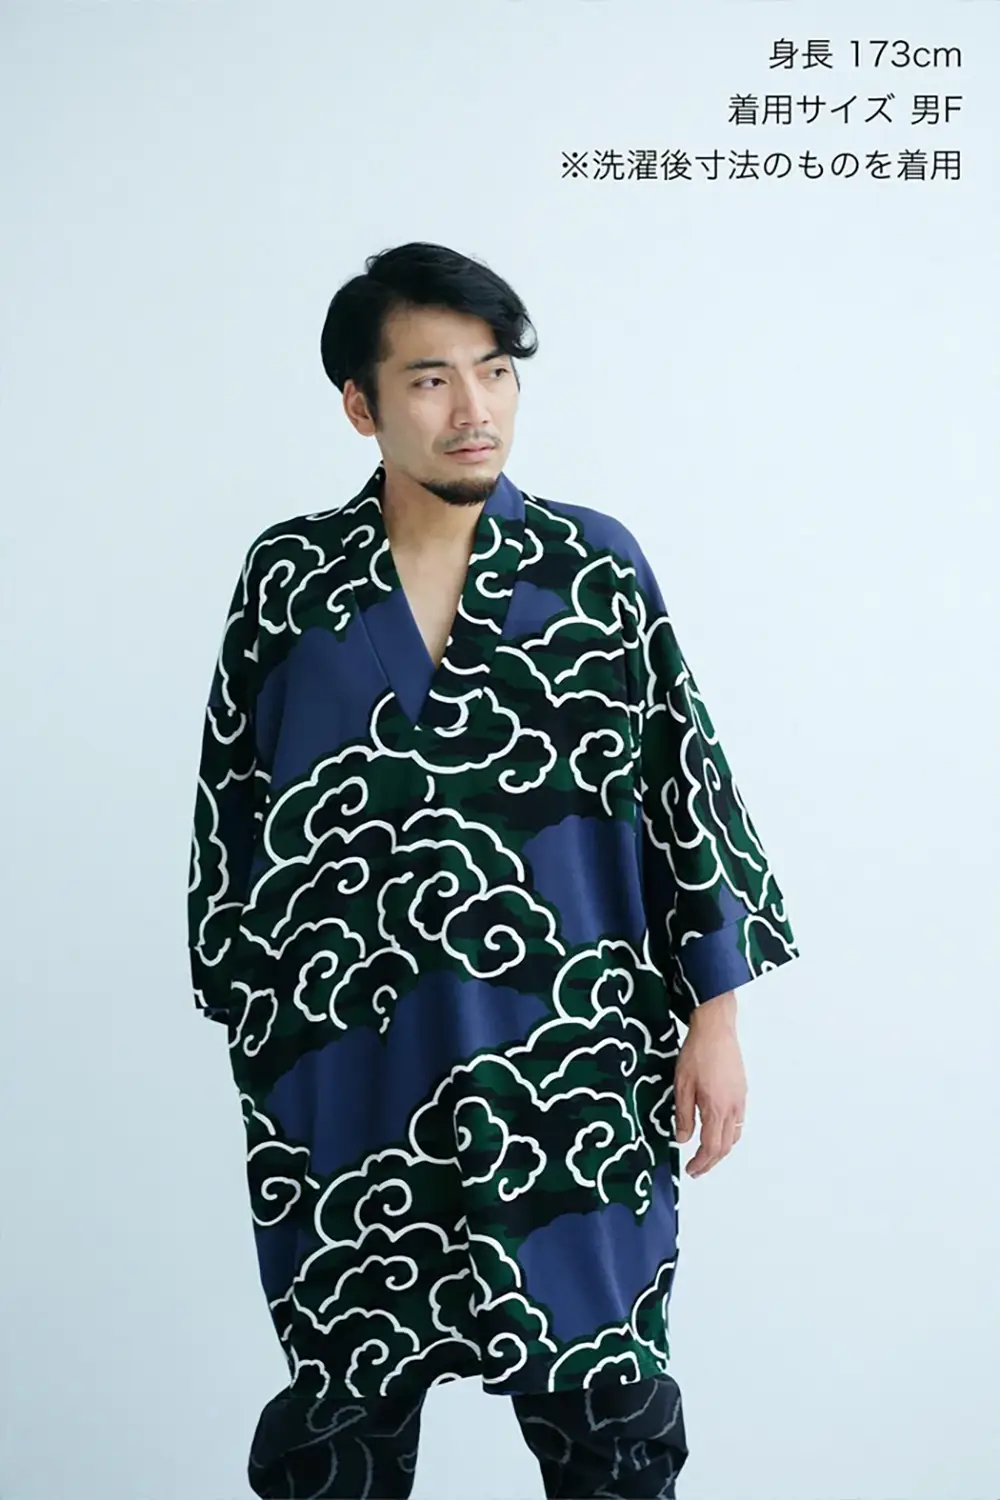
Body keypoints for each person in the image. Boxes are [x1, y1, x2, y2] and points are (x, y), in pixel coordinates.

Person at [187, 241, 800, 1499]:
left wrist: (717, 1017)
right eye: (429, 379)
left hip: (570, 1072)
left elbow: (682, 788)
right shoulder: (290, 580)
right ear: (360, 405)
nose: (473, 407)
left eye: (495, 370)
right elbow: (229, 813)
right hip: (351, 1075)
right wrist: (256, 1020)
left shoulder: (593, 568)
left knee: (608, 1420)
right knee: (344, 1424)